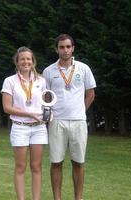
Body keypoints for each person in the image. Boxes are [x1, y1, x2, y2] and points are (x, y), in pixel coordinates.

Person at [43, 34, 96, 200]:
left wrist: (81, 110)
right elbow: (46, 96)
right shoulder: (48, 71)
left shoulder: (83, 68)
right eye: (61, 47)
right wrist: (49, 113)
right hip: (57, 122)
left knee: (78, 162)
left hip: (78, 122)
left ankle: (78, 198)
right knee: (56, 162)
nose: (65, 50)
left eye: (68, 46)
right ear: (56, 49)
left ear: (73, 48)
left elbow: (90, 94)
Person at [1, 46, 48, 200]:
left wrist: (48, 114)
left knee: (36, 166)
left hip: (39, 128)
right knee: (21, 166)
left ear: (33, 61)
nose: (26, 62)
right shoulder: (9, 81)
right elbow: (7, 108)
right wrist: (28, 113)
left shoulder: (41, 81)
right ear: (17, 61)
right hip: (20, 127)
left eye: (29, 59)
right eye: (22, 59)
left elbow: (47, 103)